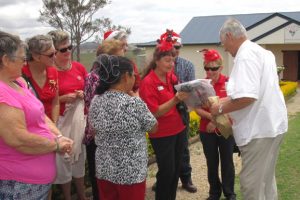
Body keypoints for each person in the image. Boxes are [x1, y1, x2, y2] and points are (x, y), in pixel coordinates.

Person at [210, 18, 288, 199]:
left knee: (251, 185)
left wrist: (219, 110)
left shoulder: (245, 56)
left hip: (258, 131)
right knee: (266, 181)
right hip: (272, 126)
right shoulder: (262, 52)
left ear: (229, 36)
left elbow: (248, 96)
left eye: (224, 44)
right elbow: (250, 92)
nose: (225, 49)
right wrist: (221, 101)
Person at [0, 31, 73, 200]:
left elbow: (41, 115)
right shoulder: (2, 92)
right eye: (21, 58)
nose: (25, 62)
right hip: (19, 185)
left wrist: (59, 136)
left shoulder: (18, 82)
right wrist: (56, 145)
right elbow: (17, 139)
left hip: (35, 184)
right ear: (5, 60)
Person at [88, 54, 157, 200]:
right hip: (131, 172)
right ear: (126, 76)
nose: (134, 79)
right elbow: (153, 127)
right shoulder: (133, 103)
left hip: (104, 168)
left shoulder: (96, 100)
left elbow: (94, 132)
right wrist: (138, 99)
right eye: (133, 75)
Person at [83, 30, 141, 200]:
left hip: (110, 136)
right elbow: (94, 107)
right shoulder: (95, 77)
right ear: (108, 59)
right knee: (101, 182)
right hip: (99, 136)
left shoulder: (113, 77)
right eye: (119, 57)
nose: (122, 60)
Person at [139, 34, 190, 200]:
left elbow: (178, 94)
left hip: (179, 129)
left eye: (173, 60)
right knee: (167, 171)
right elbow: (154, 112)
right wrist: (175, 99)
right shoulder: (148, 82)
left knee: (175, 170)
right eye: (168, 60)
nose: (171, 64)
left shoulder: (170, 76)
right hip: (162, 134)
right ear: (157, 60)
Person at [48, 30, 88, 200]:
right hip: (60, 122)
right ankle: (67, 196)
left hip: (79, 122)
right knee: (63, 161)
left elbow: (90, 90)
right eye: (63, 49)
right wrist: (63, 98)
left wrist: (83, 94)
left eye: (69, 47)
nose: (68, 52)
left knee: (79, 157)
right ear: (54, 52)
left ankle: (81, 194)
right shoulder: (49, 72)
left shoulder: (79, 67)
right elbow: (43, 101)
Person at [195, 49, 236, 200]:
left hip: (225, 128)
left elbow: (235, 105)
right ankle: (214, 193)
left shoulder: (230, 82)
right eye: (207, 68)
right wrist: (211, 119)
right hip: (207, 130)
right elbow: (197, 107)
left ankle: (229, 193)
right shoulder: (200, 85)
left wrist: (215, 121)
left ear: (221, 67)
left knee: (227, 162)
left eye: (214, 68)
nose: (210, 71)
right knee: (211, 163)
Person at [22, 34, 59, 123]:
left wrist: (54, 124)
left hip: (51, 127)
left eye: (55, 53)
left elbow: (56, 103)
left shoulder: (53, 72)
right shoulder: (21, 74)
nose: (55, 57)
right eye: (51, 55)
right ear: (36, 56)